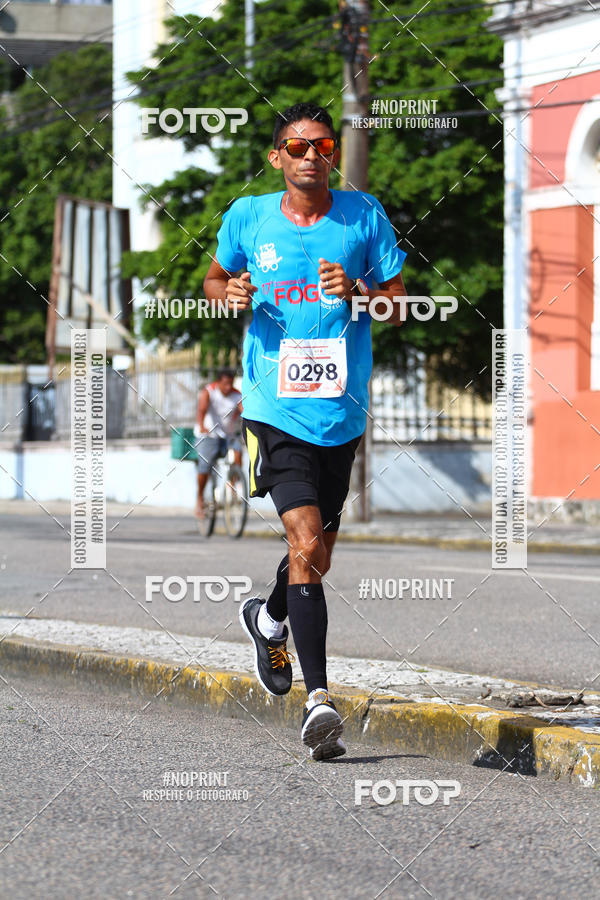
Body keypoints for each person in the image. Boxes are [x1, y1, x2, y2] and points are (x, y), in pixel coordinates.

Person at [203, 102, 407, 760]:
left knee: (315, 558)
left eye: (321, 144)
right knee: (306, 539)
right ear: (277, 157)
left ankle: (267, 621)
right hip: (275, 410)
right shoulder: (248, 217)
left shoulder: (364, 215)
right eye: (297, 146)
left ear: (332, 153)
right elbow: (213, 280)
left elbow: (399, 305)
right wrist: (226, 294)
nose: (311, 155)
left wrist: (357, 293)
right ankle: (319, 703)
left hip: (340, 412)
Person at [194, 369, 242, 518]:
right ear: (218, 382)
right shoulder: (209, 392)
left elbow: (243, 411)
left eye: (231, 383)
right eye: (225, 383)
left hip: (227, 436)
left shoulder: (237, 395)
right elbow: (201, 410)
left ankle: (232, 486)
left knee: (238, 452)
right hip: (208, 435)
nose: (228, 387)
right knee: (205, 467)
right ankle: (200, 498)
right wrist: (202, 426)